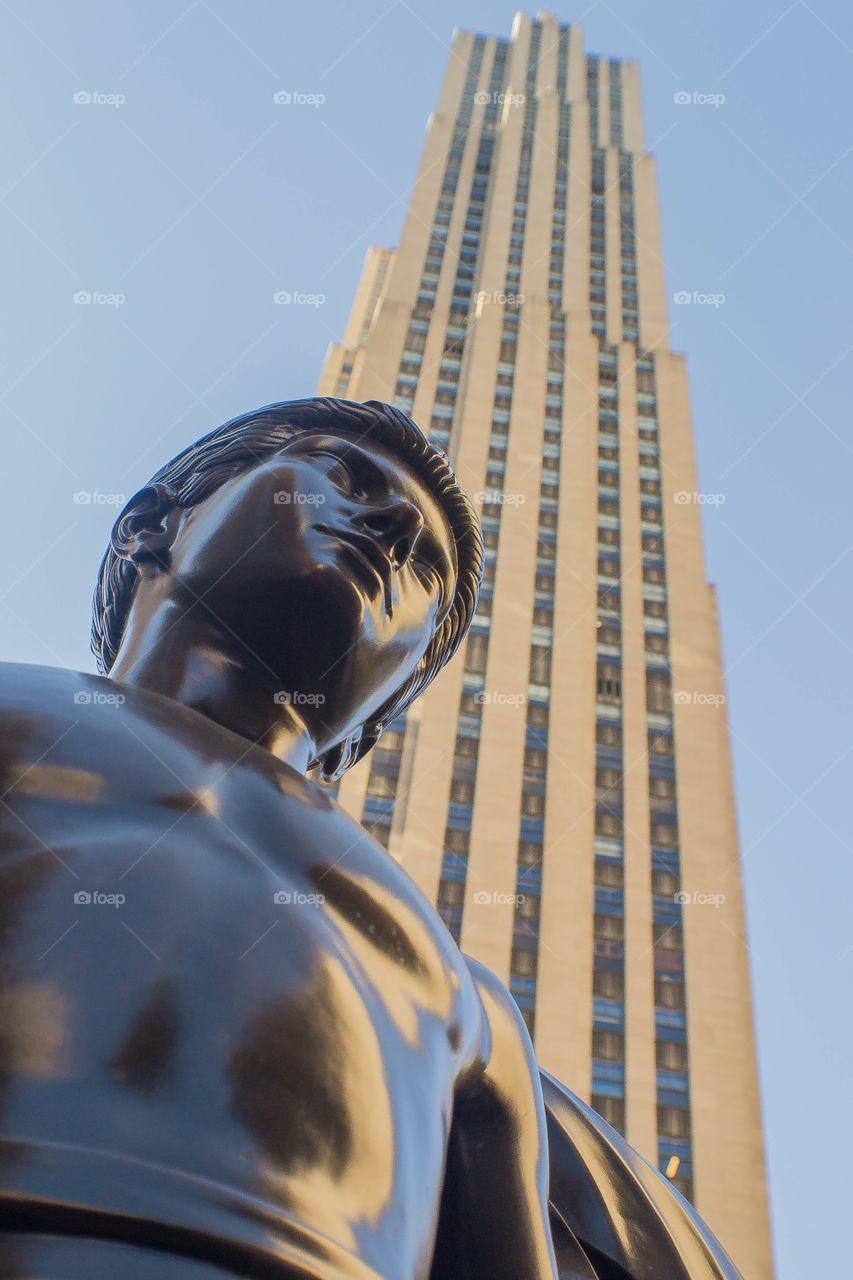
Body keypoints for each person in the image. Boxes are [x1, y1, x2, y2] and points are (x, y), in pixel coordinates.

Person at [0, 397, 743, 1280]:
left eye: (426, 563)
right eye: (341, 474)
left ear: (377, 722)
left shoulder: (468, 998)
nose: (391, 525)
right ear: (149, 528)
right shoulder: (19, 717)